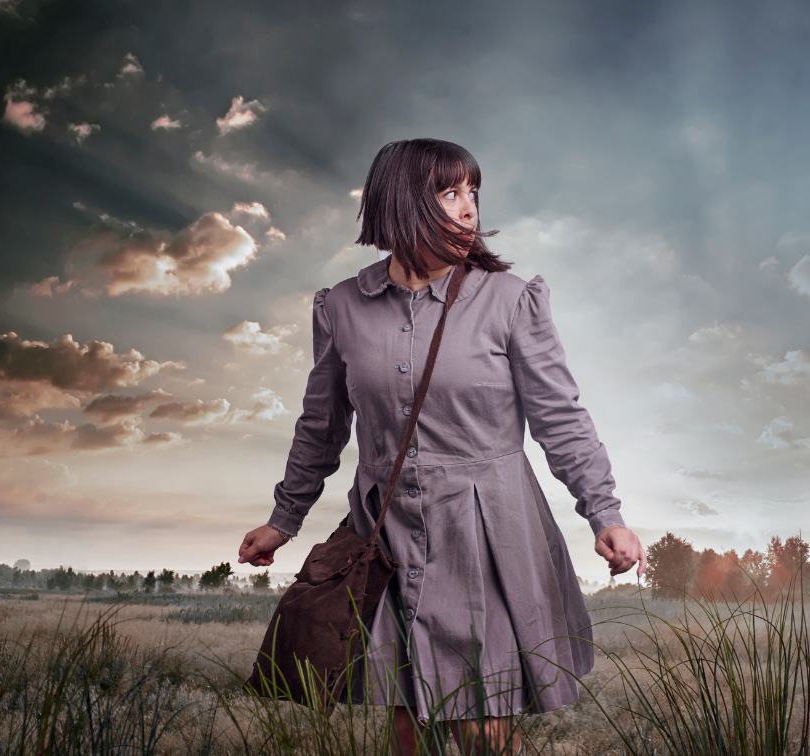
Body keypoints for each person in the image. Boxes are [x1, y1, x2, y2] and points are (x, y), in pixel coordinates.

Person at [238, 138, 646, 756]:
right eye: (449, 193)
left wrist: (604, 512)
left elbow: (558, 415)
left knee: (482, 726)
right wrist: (282, 520)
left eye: (472, 193)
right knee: (408, 723)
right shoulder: (341, 307)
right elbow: (321, 426)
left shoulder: (509, 300)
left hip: (488, 528)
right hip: (387, 530)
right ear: (401, 201)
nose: (468, 210)